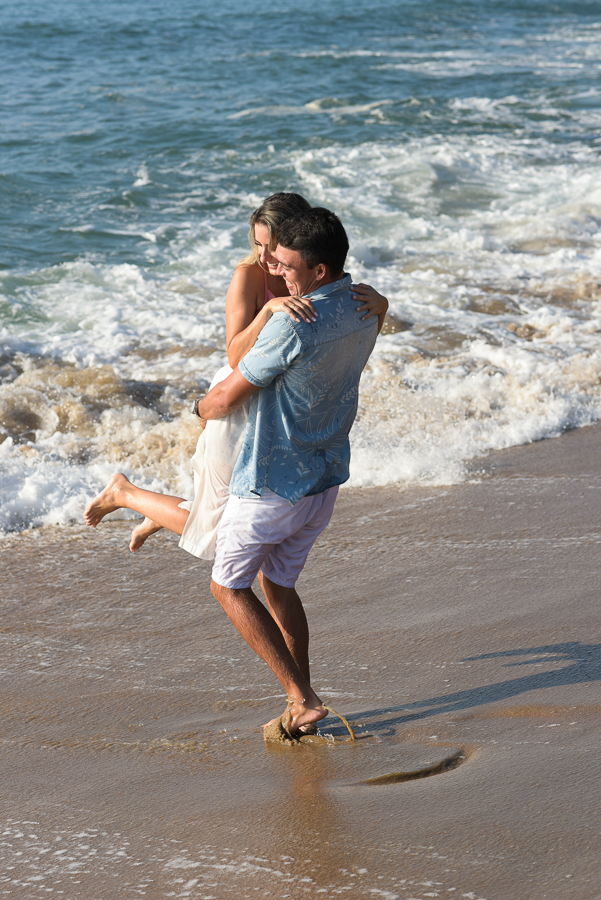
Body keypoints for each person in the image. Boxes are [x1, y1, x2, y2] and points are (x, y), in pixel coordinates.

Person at [85, 194, 388, 559]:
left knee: (231, 516)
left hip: (278, 406)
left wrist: (382, 305)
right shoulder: (249, 276)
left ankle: (162, 513)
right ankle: (127, 494)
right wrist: (270, 311)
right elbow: (234, 355)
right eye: (258, 245)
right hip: (237, 396)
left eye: (272, 246)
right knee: (218, 529)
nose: (265, 256)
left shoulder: (311, 270)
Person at [194, 206, 379, 738]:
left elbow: (227, 395)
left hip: (274, 482)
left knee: (228, 587)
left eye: (288, 264)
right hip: (324, 481)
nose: (277, 270)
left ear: (318, 271)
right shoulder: (365, 305)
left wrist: (197, 410)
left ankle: (302, 698)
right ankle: (300, 704)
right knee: (278, 585)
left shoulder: (294, 324)